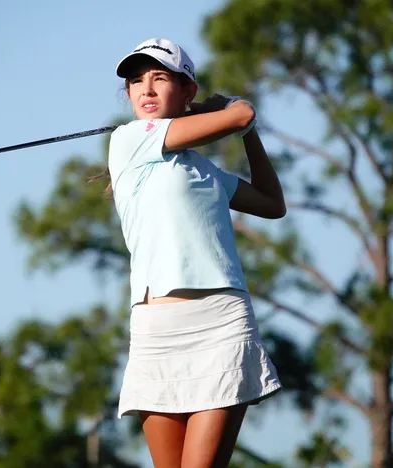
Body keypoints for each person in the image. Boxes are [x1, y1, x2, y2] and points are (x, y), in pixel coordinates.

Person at [103, 38, 286, 467]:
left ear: (187, 88)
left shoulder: (207, 171)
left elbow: (272, 204)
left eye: (159, 78)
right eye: (136, 82)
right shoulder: (128, 140)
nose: (146, 89)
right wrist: (220, 110)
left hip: (220, 324)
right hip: (156, 332)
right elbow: (240, 113)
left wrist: (248, 133)